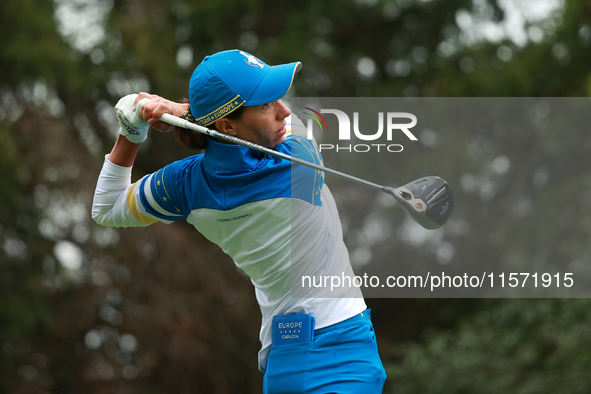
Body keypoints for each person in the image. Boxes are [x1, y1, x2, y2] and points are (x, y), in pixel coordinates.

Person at [92, 49, 387, 393]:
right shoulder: (297, 161)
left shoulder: (184, 185)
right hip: (343, 351)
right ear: (228, 125)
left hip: (281, 362)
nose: (283, 110)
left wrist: (132, 130)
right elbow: (295, 124)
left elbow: (107, 207)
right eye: (265, 105)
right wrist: (177, 109)